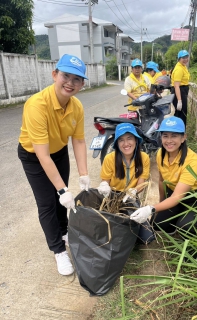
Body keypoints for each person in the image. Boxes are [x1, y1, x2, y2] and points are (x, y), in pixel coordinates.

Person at [18, 54, 91, 276]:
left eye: (77, 79)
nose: (70, 83)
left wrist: (84, 174)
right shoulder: (37, 105)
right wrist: (61, 189)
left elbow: (78, 141)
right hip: (34, 156)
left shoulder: (76, 107)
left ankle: (64, 232)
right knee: (48, 202)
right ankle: (58, 251)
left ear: (82, 84)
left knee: (63, 201)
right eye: (65, 75)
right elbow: (42, 155)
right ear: (54, 75)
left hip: (58, 152)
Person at [130, 116, 197, 240]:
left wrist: (151, 208)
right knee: (157, 224)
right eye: (165, 135)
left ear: (183, 138)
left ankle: (190, 223)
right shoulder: (160, 154)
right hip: (173, 193)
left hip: (193, 198)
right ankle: (177, 217)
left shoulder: (192, 161)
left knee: (185, 227)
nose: (169, 140)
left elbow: (176, 197)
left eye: (174, 136)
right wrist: (160, 205)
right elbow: (161, 181)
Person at [97, 123, 150, 203]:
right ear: (117, 143)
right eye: (121, 140)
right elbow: (105, 180)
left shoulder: (144, 158)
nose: (126, 144)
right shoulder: (109, 158)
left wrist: (134, 191)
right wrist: (104, 185)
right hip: (112, 198)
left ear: (136, 140)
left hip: (131, 197)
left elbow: (141, 182)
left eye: (129, 138)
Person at [170, 50, 197, 126]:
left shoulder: (183, 67)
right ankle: (179, 133)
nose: (185, 59)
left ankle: (179, 133)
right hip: (179, 92)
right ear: (179, 58)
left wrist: (189, 83)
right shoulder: (179, 69)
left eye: (187, 57)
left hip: (182, 90)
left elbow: (181, 81)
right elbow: (176, 86)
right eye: (183, 58)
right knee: (181, 114)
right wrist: (179, 100)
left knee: (182, 113)